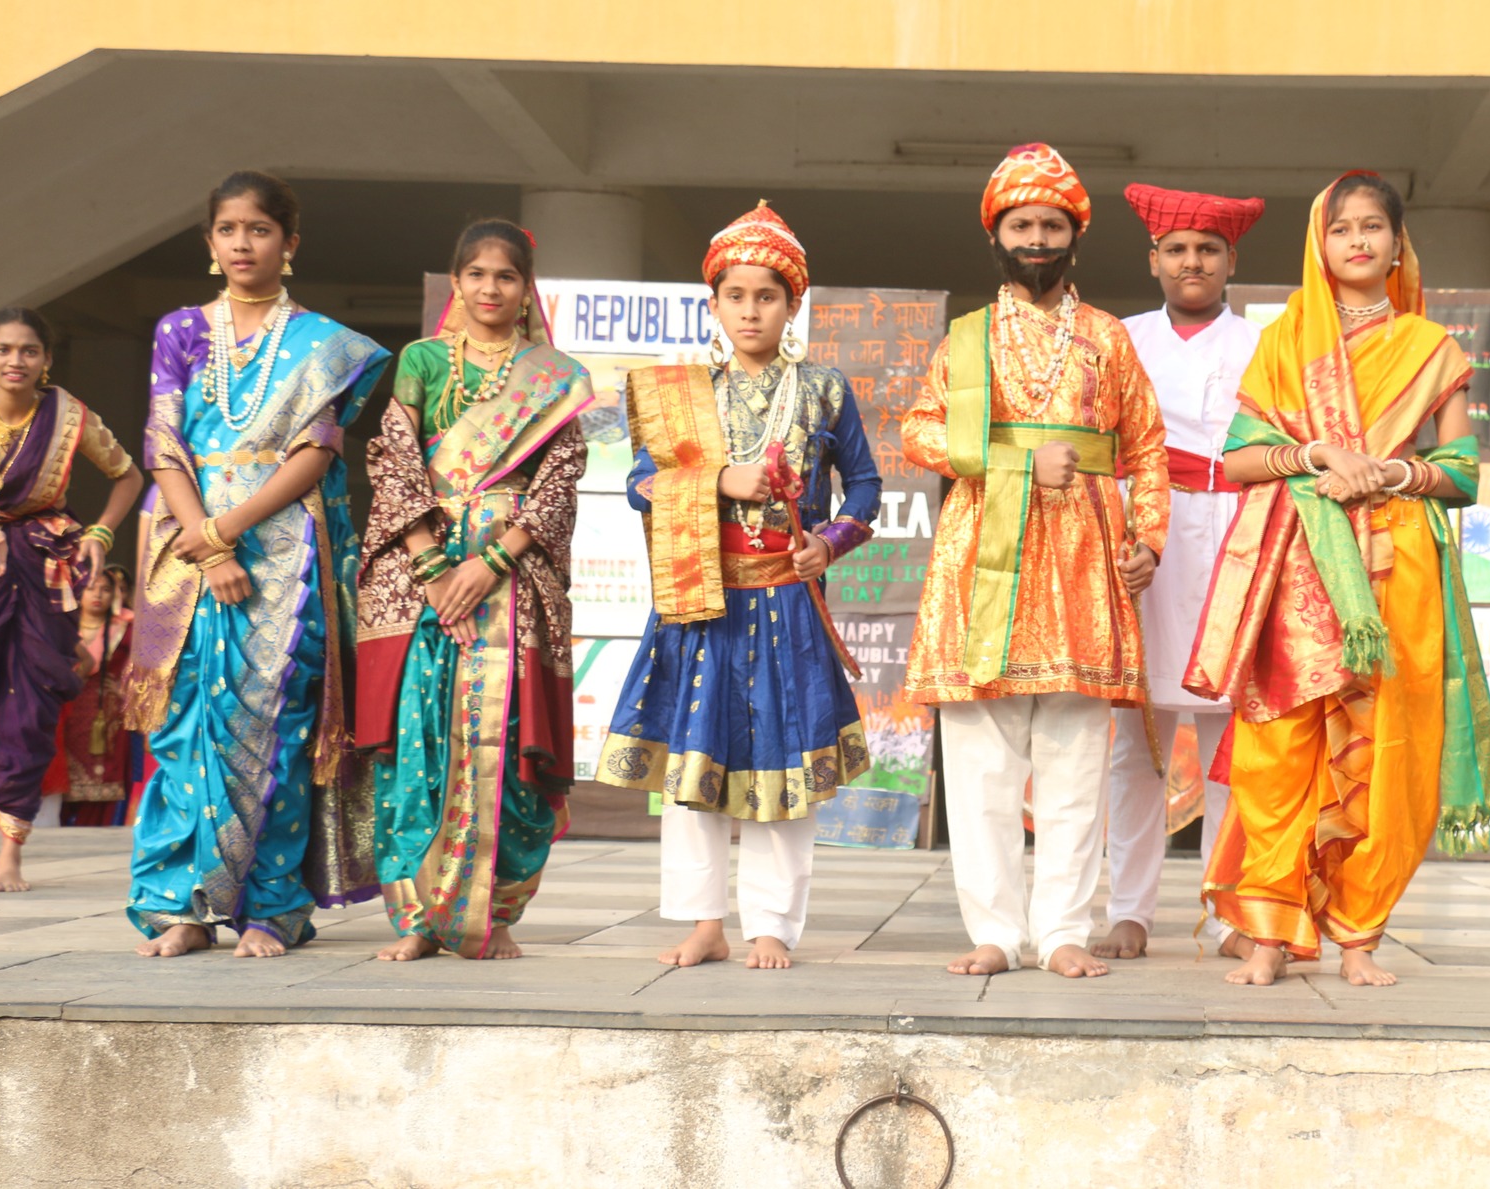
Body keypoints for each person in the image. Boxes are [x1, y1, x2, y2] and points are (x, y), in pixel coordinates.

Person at [1185, 170, 1490, 989]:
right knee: (1280, 749)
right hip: (1298, 564)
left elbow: (1463, 472)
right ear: (1319, 246)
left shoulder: (1431, 348)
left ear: (1399, 243)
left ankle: (1360, 936)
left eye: (1373, 226)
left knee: (1390, 754)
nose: (1358, 240)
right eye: (1341, 228)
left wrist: (1388, 474)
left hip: (1398, 567)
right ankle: (1270, 932)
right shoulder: (1285, 342)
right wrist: (1317, 455)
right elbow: (1238, 461)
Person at [903, 144, 1169, 980]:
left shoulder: (1107, 337)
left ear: (1075, 236)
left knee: (1075, 760)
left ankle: (1061, 932)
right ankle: (994, 931)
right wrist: (1015, 461)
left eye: (1053, 224)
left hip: (1086, 557)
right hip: (984, 554)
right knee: (980, 759)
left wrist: (1149, 539)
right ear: (997, 234)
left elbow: (1147, 448)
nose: (1037, 238)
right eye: (1022, 224)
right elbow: (918, 431)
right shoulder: (967, 339)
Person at [596, 203, 880, 971]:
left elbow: (864, 485)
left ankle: (771, 925)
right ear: (714, 304)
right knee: (694, 764)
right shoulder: (681, 391)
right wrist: (720, 479)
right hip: (701, 600)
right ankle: (703, 922)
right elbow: (638, 483)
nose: (751, 309)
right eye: (736, 295)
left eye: (767, 295)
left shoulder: (824, 388)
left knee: (784, 762)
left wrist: (830, 541)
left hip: (786, 598)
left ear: (792, 304)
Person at [124, 171, 389, 957]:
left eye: (259, 229)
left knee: (276, 725)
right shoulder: (180, 329)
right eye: (228, 229)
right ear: (210, 241)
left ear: (289, 242)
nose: (243, 243)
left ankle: (273, 907)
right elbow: (162, 442)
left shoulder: (322, 343)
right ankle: (182, 906)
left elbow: (317, 450)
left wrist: (229, 529)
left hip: (283, 555)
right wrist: (206, 542)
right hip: (183, 547)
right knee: (184, 724)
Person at [356, 220, 592, 961]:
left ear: (526, 288)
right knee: (417, 741)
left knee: (512, 744)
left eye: (506, 276)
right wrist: (433, 570)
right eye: (477, 274)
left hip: (513, 580)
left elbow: (560, 482)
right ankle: (419, 920)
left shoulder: (556, 376)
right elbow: (395, 463)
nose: (491, 287)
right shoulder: (422, 361)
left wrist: (489, 563)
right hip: (422, 580)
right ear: (456, 283)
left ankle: (496, 914)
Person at [1096, 183, 1265, 963]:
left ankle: (1231, 914)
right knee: (1136, 742)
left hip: (1239, 534)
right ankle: (1128, 910)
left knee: (1233, 739)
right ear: (1153, 259)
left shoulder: (1265, 343)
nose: (1191, 261)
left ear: (1231, 261)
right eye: (1177, 249)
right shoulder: (1119, 338)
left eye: (1207, 249)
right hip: (1145, 538)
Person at [0, 310, 143, 890]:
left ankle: (10, 855)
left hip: (43, 569)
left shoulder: (67, 415)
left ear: (46, 360)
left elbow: (128, 476)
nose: (15, 361)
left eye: (29, 351)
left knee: (27, 710)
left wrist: (100, 532)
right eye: (3, 349)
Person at [54, 564, 138, 828]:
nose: (98, 594)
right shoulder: (59, 625)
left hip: (107, 717)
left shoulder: (127, 628)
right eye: (91, 588)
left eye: (105, 589)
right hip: (66, 711)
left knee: (104, 779)